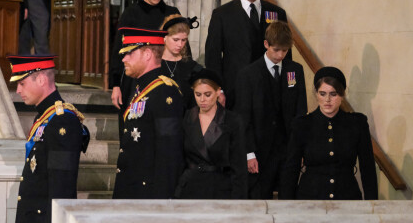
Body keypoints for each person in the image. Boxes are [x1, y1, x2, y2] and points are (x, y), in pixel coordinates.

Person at [8, 55, 87, 223]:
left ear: (41, 79)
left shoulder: (61, 120)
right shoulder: (46, 116)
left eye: (22, 83)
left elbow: (62, 182)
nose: (18, 89)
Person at [279, 67, 378, 200]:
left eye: (333, 94)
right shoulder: (302, 124)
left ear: (342, 95)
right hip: (310, 200)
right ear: (316, 94)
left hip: (347, 199)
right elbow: (291, 169)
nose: (327, 100)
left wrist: (373, 205)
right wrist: (285, 207)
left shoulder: (357, 124)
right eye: (322, 93)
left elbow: (368, 168)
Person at [234, 21, 307, 199]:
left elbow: (300, 111)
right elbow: (244, 118)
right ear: (266, 44)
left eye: (285, 50)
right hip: (260, 151)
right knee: (260, 200)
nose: (280, 55)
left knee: (288, 198)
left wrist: (301, 148)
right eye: (276, 50)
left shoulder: (295, 71)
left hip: (288, 149)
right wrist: (249, 153)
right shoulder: (248, 75)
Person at [205, 0, 288, 109]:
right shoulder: (222, 15)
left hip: (269, 92)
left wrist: (285, 88)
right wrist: (217, 89)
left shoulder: (276, 13)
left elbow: (286, 54)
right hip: (234, 92)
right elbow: (213, 56)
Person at [113, 27, 184, 199]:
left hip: (148, 194)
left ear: (147, 54)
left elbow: (169, 154)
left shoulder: (165, 92)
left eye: (130, 53)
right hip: (131, 188)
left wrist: (160, 204)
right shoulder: (140, 88)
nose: (124, 59)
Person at [109, 0, 180, 137]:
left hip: (164, 77)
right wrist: (115, 85)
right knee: (133, 128)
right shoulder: (131, 14)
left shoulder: (172, 13)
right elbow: (119, 49)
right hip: (134, 80)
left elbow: (182, 49)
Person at [175, 69, 247, 199]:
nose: (202, 99)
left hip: (221, 191)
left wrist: (238, 202)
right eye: (198, 94)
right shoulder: (187, 117)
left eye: (207, 94)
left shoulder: (232, 120)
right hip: (190, 190)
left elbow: (239, 166)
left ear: (218, 92)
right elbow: (178, 158)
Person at [159, 14, 203, 109]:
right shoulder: (152, 65)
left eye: (184, 40)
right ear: (164, 37)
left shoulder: (193, 68)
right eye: (176, 40)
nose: (180, 44)